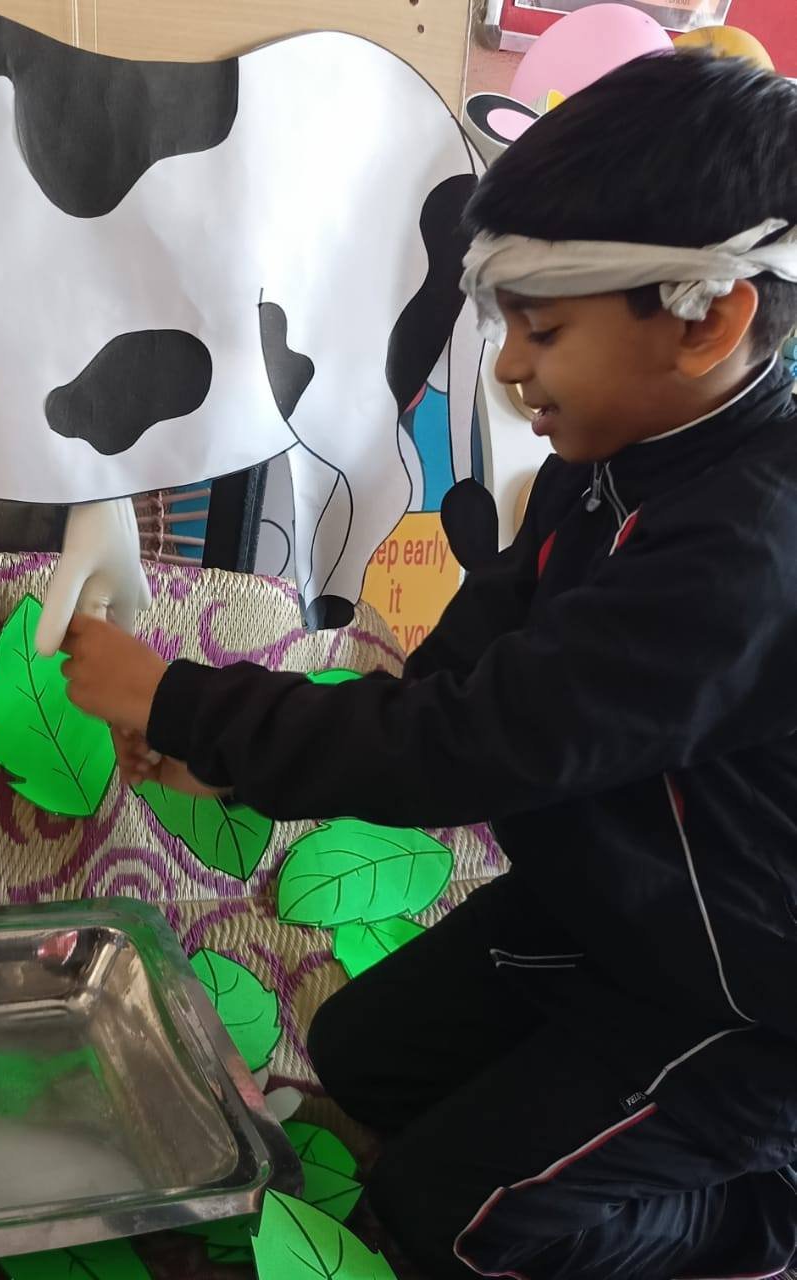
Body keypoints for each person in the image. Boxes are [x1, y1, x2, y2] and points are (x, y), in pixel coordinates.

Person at [60, 52, 797, 1279]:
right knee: (363, 1052)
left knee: (447, 1212)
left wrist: (181, 696)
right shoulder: (598, 471)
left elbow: (474, 745)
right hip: (611, 922)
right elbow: (443, 687)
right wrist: (224, 758)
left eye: (541, 329)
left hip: (742, 1004)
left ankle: (758, 1226)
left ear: (704, 320)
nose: (506, 366)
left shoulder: (748, 549)